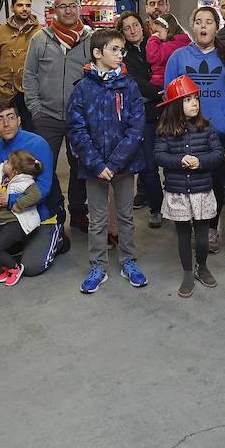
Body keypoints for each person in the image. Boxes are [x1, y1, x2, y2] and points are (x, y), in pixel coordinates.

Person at [67, 29, 148, 294]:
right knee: (98, 219)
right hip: (95, 167)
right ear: (97, 53)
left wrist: (114, 163)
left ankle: (129, 261)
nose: (120, 55)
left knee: (125, 216)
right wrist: (96, 164)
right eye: (114, 49)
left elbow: (136, 128)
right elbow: (76, 129)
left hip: (124, 165)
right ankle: (98, 266)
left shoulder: (130, 86)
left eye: (122, 50)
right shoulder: (83, 88)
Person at [164, 6, 225, 252]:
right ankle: (188, 224)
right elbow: (170, 93)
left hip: (218, 132)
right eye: (198, 21)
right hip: (185, 131)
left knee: (215, 181)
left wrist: (221, 123)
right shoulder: (179, 57)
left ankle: (210, 228)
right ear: (192, 26)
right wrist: (182, 123)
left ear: (216, 27)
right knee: (188, 179)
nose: (203, 26)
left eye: (209, 22)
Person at [23, 0, 92, 233]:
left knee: (80, 168)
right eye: (63, 6)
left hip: (79, 118)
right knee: (44, 168)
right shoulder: (40, 39)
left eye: (72, 5)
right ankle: (54, 211)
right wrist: (35, 109)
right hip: (47, 117)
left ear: (79, 8)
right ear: (55, 10)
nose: (68, 10)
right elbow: (29, 76)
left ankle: (78, 211)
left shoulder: (89, 38)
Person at [0, 100, 69, 278]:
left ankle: (57, 239)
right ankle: (13, 246)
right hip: (17, 214)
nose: (6, 123)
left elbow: (44, 188)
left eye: (10, 117)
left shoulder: (37, 144)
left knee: (31, 267)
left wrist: (9, 200)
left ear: (19, 120)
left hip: (43, 212)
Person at [154, 76, 224, 298]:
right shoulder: (165, 130)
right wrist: (179, 161)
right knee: (183, 235)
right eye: (188, 100)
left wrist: (201, 161)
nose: (195, 103)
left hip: (202, 190)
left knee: (202, 237)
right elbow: (158, 155)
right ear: (176, 105)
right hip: (177, 193)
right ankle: (187, 271)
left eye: (196, 99)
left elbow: (218, 154)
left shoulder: (206, 127)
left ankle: (202, 267)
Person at [116, 11, 164, 227]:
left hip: (167, 112)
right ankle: (157, 208)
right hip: (143, 114)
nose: (133, 30)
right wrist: (162, 91)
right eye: (127, 27)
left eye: (135, 25)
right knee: (149, 165)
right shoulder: (123, 56)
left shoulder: (156, 44)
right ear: (122, 33)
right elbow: (134, 82)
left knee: (173, 164)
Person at [0, 150, 44, 287]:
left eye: (7, 162)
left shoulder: (25, 183)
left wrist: (19, 204)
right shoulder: (3, 176)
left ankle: (15, 268)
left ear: (15, 171)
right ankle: (7, 266)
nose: (4, 163)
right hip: (3, 222)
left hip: (16, 223)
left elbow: (35, 195)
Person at [0, 0, 41, 130]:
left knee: (31, 132)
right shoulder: (1, 31)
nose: (24, 9)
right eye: (20, 5)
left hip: (30, 92)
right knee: (8, 132)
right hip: (5, 91)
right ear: (12, 8)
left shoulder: (40, 32)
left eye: (28, 5)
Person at [146, 13, 191, 88]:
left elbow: (152, 57)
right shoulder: (184, 41)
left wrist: (153, 39)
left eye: (158, 32)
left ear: (167, 29)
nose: (156, 34)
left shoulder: (168, 46)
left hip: (163, 82)